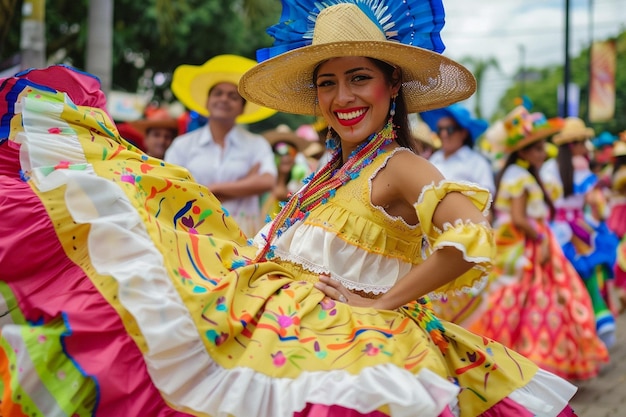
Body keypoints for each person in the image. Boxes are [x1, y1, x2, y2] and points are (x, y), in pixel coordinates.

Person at [1, 3, 578, 417]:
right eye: (328, 83)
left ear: (392, 84)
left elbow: (471, 235)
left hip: (353, 352)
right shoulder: (324, 172)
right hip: (279, 333)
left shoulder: (399, 164)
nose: (343, 98)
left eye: (360, 79)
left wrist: (382, 299)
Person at [467, 106, 609, 381]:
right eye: (538, 148)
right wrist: (541, 238)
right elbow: (519, 219)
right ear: (523, 152)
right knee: (522, 302)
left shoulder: (522, 174)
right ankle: (516, 359)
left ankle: (523, 359)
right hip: (524, 245)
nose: (544, 153)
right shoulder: (518, 177)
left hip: (531, 242)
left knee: (535, 303)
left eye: (543, 147)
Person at [164, 54, 278, 237]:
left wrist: (212, 189)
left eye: (233, 96)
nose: (224, 99)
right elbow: (170, 185)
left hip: (242, 236)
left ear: (242, 107)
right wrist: (246, 182)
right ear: (207, 102)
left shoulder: (257, 145)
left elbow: (267, 181)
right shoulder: (182, 145)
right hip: (191, 234)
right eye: (218, 93)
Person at [540, 116, 619, 348]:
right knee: (589, 275)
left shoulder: (548, 168)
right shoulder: (581, 167)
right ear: (573, 144)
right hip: (578, 227)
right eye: (583, 142)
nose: (586, 147)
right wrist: (596, 222)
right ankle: (598, 315)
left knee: (562, 282)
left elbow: (545, 203)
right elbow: (597, 204)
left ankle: (570, 330)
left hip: (554, 228)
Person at [419, 103, 495, 197]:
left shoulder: (477, 163)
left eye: (449, 129)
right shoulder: (434, 159)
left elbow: (486, 199)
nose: (443, 134)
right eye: (440, 130)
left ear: (463, 133)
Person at [261, 124, 311, 219]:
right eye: (281, 150)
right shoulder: (262, 178)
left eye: (291, 151)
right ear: (273, 154)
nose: (286, 157)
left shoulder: (300, 182)